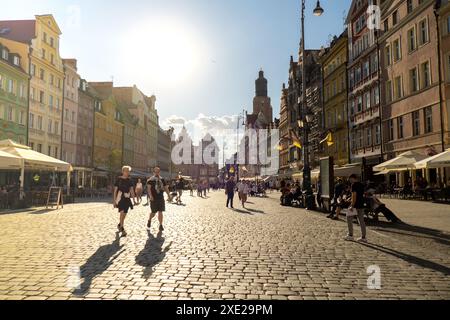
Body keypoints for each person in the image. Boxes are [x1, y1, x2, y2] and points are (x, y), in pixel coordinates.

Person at [113, 166, 137, 237]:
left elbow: (132, 190)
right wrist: (114, 201)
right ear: (122, 171)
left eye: (128, 171)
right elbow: (115, 191)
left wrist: (134, 200)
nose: (127, 172)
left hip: (127, 198)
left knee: (125, 214)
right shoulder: (119, 179)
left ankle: (120, 224)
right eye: (126, 171)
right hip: (120, 198)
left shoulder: (130, 180)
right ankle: (122, 229)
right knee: (122, 212)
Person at [147, 167, 172, 232]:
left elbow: (166, 188)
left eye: (158, 172)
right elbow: (149, 189)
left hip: (160, 198)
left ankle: (160, 225)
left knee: (160, 211)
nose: (157, 173)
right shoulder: (150, 180)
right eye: (155, 172)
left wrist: (169, 195)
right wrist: (150, 196)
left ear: (159, 172)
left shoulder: (162, 179)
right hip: (153, 198)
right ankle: (149, 220)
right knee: (153, 213)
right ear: (153, 172)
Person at [345, 174, 367, 243]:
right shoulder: (361, 185)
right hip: (361, 204)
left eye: (350, 179)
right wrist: (350, 199)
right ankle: (363, 237)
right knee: (361, 221)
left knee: (349, 218)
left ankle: (350, 235)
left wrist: (352, 204)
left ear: (353, 178)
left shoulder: (354, 185)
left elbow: (354, 195)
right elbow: (361, 195)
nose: (350, 181)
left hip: (355, 205)